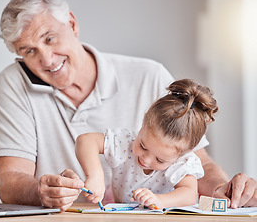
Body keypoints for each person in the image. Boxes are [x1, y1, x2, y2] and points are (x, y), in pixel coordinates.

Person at [0, 0, 257, 211]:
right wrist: (41, 191)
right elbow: (8, 177)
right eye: (29, 51)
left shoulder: (148, 75)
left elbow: (197, 163)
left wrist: (225, 190)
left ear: (71, 23)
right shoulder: (13, 83)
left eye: (49, 39)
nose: (46, 60)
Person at [76, 79, 217, 209]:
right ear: (143, 122)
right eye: (143, 146)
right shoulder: (124, 142)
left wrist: (159, 200)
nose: (146, 159)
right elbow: (86, 141)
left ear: (184, 152)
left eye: (160, 160)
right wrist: (95, 176)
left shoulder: (183, 161)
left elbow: (189, 195)